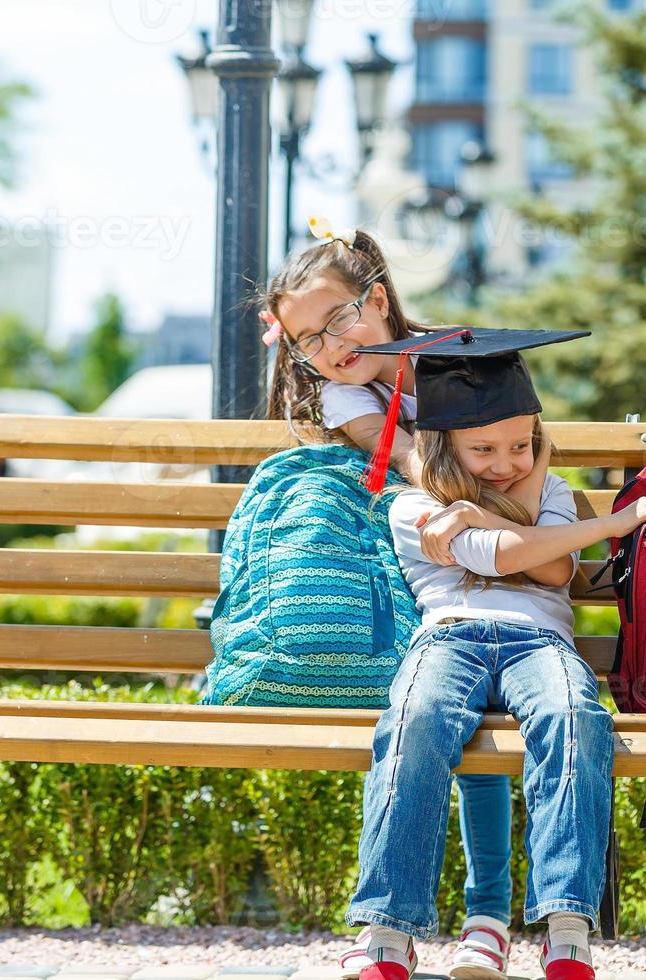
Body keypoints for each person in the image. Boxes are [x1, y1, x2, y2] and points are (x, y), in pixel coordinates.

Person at [344, 328, 646, 980]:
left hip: (541, 644)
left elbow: (555, 570)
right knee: (414, 723)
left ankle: (566, 931)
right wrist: (614, 523)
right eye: (482, 450)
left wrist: (475, 514)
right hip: (449, 639)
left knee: (575, 720)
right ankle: (388, 932)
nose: (505, 462)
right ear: (443, 445)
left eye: (520, 446)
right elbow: (505, 558)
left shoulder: (553, 492)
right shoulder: (412, 505)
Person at [257, 217, 531, 979]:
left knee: (483, 725)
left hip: (508, 568)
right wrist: (468, 497)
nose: (329, 347)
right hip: (427, 578)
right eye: (307, 339)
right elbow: (414, 461)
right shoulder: (346, 399)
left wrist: (489, 499)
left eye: (338, 319)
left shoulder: (461, 357)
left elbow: (523, 450)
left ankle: (487, 918)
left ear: (377, 300)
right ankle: (422, 927)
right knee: (447, 720)